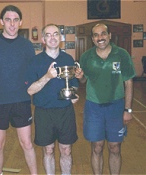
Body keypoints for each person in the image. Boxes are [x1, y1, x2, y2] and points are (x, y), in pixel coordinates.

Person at [0, 5, 37, 175]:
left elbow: (32, 71)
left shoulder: (26, 45)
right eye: (8, 20)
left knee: (27, 143)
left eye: (16, 20)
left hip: (21, 101)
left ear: (21, 22)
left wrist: (25, 87)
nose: (12, 24)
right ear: (2, 22)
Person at [75, 23, 136, 175]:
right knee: (97, 147)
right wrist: (81, 77)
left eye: (103, 34)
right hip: (93, 107)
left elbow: (128, 82)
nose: (100, 38)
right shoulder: (86, 56)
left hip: (116, 107)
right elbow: (83, 81)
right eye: (96, 35)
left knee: (115, 147)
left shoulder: (122, 54)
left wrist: (127, 109)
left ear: (109, 36)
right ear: (92, 39)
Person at [26, 24, 79, 175]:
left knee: (66, 150)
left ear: (61, 38)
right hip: (44, 113)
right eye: (48, 35)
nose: (52, 37)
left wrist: (74, 95)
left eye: (55, 34)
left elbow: (74, 85)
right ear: (43, 39)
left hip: (65, 112)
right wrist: (47, 77)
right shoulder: (35, 61)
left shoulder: (68, 59)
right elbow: (30, 90)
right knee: (48, 151)